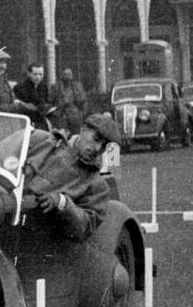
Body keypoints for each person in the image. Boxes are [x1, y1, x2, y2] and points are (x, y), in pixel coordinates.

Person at [22, 114, 121, 242]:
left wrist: (63, 202)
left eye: (104, 147)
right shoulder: (42, 141)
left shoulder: (97, 186)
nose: (97, 149)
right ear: (83, 130)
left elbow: (84, 229)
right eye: (96, 139)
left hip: (36, 239)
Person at [0, 48, 37, 117]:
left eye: (5, 63)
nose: (3, 66)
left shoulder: (2, 78)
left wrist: (20, 103)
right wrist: (15, 107)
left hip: (9, 120)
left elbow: (10, 99)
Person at [13, 63, 53, 129]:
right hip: (27, 121)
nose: (38, 77)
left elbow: (45, 101)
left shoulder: (43, 86)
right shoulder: (19, 87)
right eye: (35, 74)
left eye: (40, 74)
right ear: (29, 74)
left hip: (42, 120)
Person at [52, 67, 87, 135]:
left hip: (75, 114)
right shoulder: (56, 87)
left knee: (75, 135)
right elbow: (51, 101)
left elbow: (84, 101)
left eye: (69, 74)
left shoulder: (78, 86)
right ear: (61, 76)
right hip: (60, 114)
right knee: (61, 135)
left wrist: (83, 113)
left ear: (72, 75)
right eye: (65, 74)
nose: (67, 76)